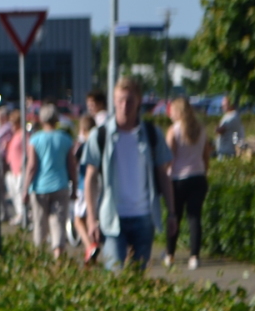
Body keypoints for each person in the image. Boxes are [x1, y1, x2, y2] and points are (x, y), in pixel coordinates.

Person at [82, 76, 176, 271]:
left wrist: (172, 213)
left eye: (130, 100)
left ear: (139, 101)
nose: (125, 106)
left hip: (144, 217)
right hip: (112, 219)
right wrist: (91, 219)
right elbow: (90, 178)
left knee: (137, 281)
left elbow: (163, 175)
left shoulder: (151, 134)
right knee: (116, 276)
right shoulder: (101, 135)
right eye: (120, 101)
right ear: (114, 102)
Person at [25, 104, 77, 259]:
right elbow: (71, 166)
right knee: (58, 223)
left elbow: (32, 166)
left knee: (39, 223)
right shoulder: (66, 139)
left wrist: (25, 189)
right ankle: (58, 256)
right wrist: (73, 187)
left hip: (40, 187)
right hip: (60, 185)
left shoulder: (35, 139)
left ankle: (39, 256)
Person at [164, 97, 210, 271]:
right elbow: (206, 155)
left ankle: (170, 254)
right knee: (195, 218)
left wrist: (164, 175)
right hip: (198, 176)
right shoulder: (201, 129)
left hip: (178, 179)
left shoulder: (174, 130)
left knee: (174, 216)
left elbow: (169, 157)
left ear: (177, 112)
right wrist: (204, 170)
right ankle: (194, 256)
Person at [71, 115, 97, 262]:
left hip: (83, 186)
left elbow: (74, 164)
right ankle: (94, 247)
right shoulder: (99, 143)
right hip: (98, 187)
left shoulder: (83, 146)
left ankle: (89, 246)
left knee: (78, 220)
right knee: (91, 219)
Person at [4, 110, 26, 225]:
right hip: (13, 169)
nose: (11, 126)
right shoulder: (14, 136)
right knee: (14, 192)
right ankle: (19, 213)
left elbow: (26, 151)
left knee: (20, 192)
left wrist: (23, 166)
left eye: (13, 123)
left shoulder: (23, 135)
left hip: (21, 169)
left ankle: (23, 214)